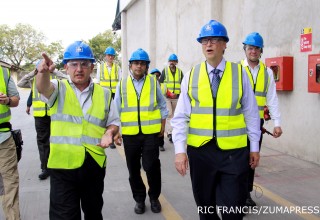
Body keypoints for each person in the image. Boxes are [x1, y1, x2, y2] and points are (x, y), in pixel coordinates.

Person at [171, 20, 261, 220]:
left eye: (214, 40)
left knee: (233, 211)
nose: (208, 44)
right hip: (201, 153)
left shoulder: (239, 74)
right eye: (204, 41)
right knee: (206, 210)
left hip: (233, 154)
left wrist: (254, 146)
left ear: (225, 44)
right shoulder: (192, 75)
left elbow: (251, 113)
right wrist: (179, 151)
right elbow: (180, 117)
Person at [36, 41, 120, 220]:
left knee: (93, 212)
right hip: (62, 165)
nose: (79, 69)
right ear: (66, 67)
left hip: (93, 164)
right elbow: (42, 88)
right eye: (74, 64)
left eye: (84, 64)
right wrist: (42, 73)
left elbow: (113, 122)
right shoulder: (58, 88)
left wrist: (110, 132)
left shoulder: (104, 94)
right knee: (64, 216)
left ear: (92, 67)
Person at [114, 48, 168, 214]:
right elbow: (116, 109)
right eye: (136, 63)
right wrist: (116, 131)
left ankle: (153, 197)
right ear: (130, 65)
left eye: (142, 63)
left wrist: (162, 126)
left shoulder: (153, 82)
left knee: (151, 166)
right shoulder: (122, 84)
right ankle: (139, 199)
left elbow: (162, 104)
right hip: (130, 135)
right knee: (133, 169)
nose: (139, 66)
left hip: (150, 134)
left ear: (146, 66)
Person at [241, 32, 283, 207]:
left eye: (256, 48)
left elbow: (272, 99)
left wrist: (277, 123)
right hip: (237, 123)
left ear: (261, 51)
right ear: (245, 50)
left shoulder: (267, 73)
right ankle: (237, 194)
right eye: (250, 48)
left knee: (252, 159)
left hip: (256, 124)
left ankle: (246, 193)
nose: (253, 51)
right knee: (237, 160)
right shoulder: (236, 69)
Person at [17, 66, 67, 180]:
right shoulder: (33, 79)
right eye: (40, 68)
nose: (43, 70)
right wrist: (32, 72)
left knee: (57, 140)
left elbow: (67, 78)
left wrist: (54, 71)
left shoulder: (55, 78)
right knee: (43, 142)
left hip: (54, 114)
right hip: (40, 116)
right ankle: (45, 168)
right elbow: (20, 83)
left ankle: (58, 166)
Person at [0, 65, 20, 220]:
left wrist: (7, 100)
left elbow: (15, 100)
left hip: (3, 138)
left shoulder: (4, 72)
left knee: (9, 182)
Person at [96, 46, 122, 149]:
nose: (110, 57)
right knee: (105, 116)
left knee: (114, 116)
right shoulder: (100, 67)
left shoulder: (117, 67)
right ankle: (107, 137)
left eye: (112, 55)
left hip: (115, 94)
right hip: (104, 94)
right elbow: (98, 81)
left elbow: (120, 81)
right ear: (106, 56)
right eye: (109, 55)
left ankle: (113, 136)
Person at [159, 53, 183, 143]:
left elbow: (183, 84)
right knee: (169, 114)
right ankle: (170, 133)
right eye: (171, 61)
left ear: (176, 62)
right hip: (167, 97)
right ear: (169, 62)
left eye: (174, 61)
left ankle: (174, 132)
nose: (172, 63)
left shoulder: (180, 72)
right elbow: (161, 83)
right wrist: (167, 93)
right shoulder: (165, 71)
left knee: (175, 115)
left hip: (177, 97)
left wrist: (179, 94)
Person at [149, 68, 166, 151]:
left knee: (161, 129)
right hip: (152, 111)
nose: (156, 77)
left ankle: (161, 144)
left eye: (157, 75)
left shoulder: (161, 84)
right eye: (154, 75)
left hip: (160, 109)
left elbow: (163, 97)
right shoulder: (149, 84)